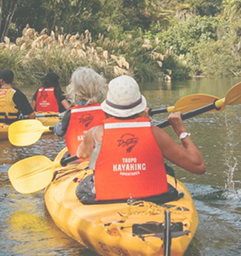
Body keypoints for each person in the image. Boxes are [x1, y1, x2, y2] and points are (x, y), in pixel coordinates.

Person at [74, 75, 205, 204]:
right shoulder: (155, 133)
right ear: (140, 107)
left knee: (84, 185)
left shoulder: (95, 133)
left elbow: (81, 154)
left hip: (106, 199)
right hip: (154, 198)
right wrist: (181, 131)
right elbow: (198, 166)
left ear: (108, 107)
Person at [54, 66, 109, 156]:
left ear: (74, 89)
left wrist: (56, 126)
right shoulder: (106, 110)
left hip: (77, 160)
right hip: (100, 159)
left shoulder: (70, 113)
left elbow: (59, 132)